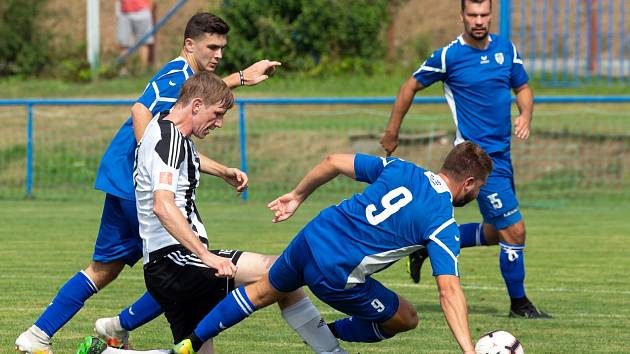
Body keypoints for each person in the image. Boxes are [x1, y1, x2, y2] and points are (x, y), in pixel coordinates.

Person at [14, 13, 310, 354]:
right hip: (133, 181)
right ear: (189, 45)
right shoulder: (176, 74)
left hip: (123, 178)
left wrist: (239, 82)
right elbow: (142, 112)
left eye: (222, 48)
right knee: (179, 265)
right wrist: (148, 167)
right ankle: (117, 329)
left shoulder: (186, 78)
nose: (218, 54)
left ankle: (40, 334)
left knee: (107, 269)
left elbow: (190, 109)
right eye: (211, 46)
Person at [75, 72, 345, 354]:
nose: (219, 123)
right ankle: (332, 351)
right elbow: (163, 205)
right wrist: (206, 257)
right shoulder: (170, 141)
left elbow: (176, 154)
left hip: (163, 269)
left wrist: (223, 171)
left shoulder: (163, 125)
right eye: (216, 114)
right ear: (196, 106)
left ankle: (106, 353)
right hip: (177, 262)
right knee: (281, 271)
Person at [160, 141, 494, 354]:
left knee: (262, 292)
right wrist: (468, 350)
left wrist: (297, 196)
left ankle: (190, 342)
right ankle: (328, 335)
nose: (476, 195)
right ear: (467, 183)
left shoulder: (401, 168)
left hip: (314, 234)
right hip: (337, 271)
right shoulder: (443, 222)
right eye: (478, 188)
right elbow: (449, 290)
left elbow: (333, 160)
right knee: (406, 318)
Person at [380, 0, 550, 319]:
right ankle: (520, 304)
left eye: (484, 14)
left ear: (491, 16)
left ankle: (423, 247)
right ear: (462, 17)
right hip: (475, 160)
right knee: (515, 230)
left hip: (503, 156)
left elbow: (523, 87)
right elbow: (409, 86)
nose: (479, 20)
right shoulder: (449, 56)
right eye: (472, 15)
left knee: (495, 231)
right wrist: (392, 132)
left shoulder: (505, 49)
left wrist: (525, 114)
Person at [117, 0, 154, 69]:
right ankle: (124, 70)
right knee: (124, 44)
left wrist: (149, 8)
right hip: (124, 12)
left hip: (142, 11)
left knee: (144, 42)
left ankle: (142, 69)